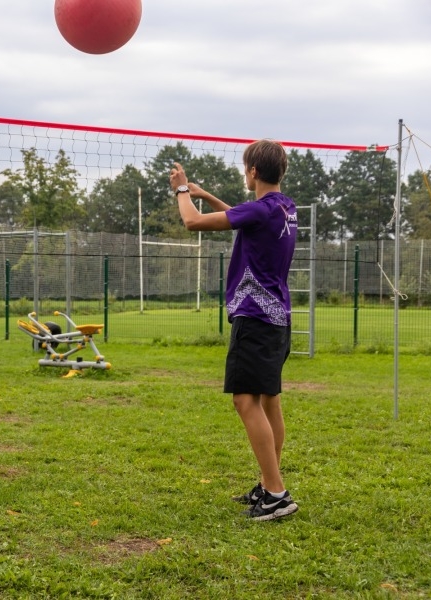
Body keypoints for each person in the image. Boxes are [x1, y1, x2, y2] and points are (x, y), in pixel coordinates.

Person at [169, 139, 299, 521]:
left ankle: (276, 494)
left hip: (254, 317)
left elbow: (192, 223)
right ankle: (268, 482)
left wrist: (181, 189)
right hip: (278, 318)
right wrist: (205, 194)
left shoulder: (261, 210)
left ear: (253, 171)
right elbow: (241, 217)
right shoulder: (283, 207)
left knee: (245, 401)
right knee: (269, 400)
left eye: (245, 168)